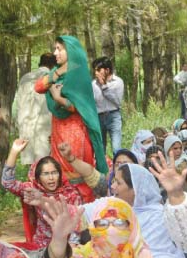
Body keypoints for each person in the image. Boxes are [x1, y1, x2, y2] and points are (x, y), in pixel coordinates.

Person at [35, 35, 107, 203]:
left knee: (77, 172)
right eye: (55, 49)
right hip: (58, 128)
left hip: (76, 130)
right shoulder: (56, 72)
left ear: (71, 51)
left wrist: (59, 99)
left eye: (59, 49)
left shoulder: (78, 73)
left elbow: (80, 106)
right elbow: (38, 87)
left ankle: (85, 211)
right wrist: (58, 73)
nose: (55, 53)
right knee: (60, 173)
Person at [1, 138, 83, 250]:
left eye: (54, 173)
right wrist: (14, 152)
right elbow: (8, 183)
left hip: (65, 246)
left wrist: (71, 250)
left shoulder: (71, 193)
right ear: (38, 177)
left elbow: (77, 223)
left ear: (60, 174)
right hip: (41, 247)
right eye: (45, 174)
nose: (51, 178)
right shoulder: (33, 190)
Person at [15, 52, 56, 165]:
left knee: (32, 168)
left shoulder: (25, 78)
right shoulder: (52, 78)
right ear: (54, 65)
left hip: (26, 127)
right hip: (46, 128)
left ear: (39, 63)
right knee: (48, 167)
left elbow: (19, 105)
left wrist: (19, 126)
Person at [92, 56, 125, 153]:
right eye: (95, 70)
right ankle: (102, 168)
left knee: (116, 148)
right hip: (99, 117)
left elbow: (117, 101)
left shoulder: (118, 82)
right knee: (101, 149)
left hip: (114, 116)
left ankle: (118, 166)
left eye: (98, 70)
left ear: (107, 70)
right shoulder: (93, 84)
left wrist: (104, 85)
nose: (96, 73)